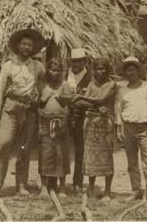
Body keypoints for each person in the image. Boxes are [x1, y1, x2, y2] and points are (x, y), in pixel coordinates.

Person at [0, 28, 46, 195]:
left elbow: (45, 83)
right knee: (4, 143)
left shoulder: (38, 66)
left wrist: (39, 98)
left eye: (30, 45)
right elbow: (0, 89)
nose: (27, 47)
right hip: (10, 108)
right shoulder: (8, 66)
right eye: (24, 44)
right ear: (18, 46)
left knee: (24, 147)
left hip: (29, 111)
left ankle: (21, 184)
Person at [115, 56, 147, 203]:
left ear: (138, 71)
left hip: (144, 129)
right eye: (128, 70)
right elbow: (118, 110)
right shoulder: (122, 91)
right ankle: (136, 190)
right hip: (128, 128)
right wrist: (119, 129)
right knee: (132, 162)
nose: (131, 73)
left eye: (133, 70)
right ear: (125, 73)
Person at [73, 57, 116, 201]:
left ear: (107, 69)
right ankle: (91, 189)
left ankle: (108, 191)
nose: (100, 71)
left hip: (105, 123)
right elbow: (83, 103)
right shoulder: (91, 84)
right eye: (97, 68)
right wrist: (86, 102)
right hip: (91, 122)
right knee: (90, 156)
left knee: (107, 156)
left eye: (102, 68)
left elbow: (102, 99)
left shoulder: (112, 84)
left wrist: (81, 98)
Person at [38, 58, 73, 218]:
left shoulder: (65, 85)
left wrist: (64, 122)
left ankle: (62, 186)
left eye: (58, 70)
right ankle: (44, 186)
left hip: (61, 123)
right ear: (48, 71)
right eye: (52, 69)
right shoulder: (42, 86)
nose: (55, 72)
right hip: (45, 123)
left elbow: (68, 106)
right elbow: (38, 107)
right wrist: (40, 123)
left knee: (61, 154)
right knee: (45, 153)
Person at [66, 48, 92, 193]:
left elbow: (93, 98)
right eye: (73, 61)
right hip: (64, 115)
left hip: (81, 117)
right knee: (61, 147)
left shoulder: (90, 77)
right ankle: (60, 182)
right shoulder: (65, 75)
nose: (75, 64)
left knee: (79, 150)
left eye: (79, 61)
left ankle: (78, 181)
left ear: (84, 62)